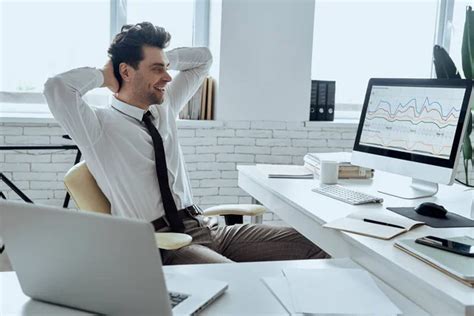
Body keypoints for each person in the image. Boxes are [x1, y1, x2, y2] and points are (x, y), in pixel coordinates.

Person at [44, 22, 328, 264]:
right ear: (126, 72)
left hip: (205, 229)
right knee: (243, 282)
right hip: (163, 244)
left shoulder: (163, 108)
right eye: (157, 69)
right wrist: (105, 75)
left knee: (319, 245)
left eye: (166, 68)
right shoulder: (98, 127)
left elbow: (203, 59)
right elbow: (57, 88)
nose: (168, 77)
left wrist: (164, 58)